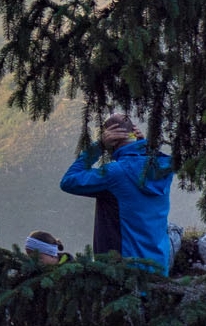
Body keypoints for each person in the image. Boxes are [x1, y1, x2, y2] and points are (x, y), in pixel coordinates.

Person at [59, 112, 174, 272]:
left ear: (111, 141)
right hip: (158, 266)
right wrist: (144, 147)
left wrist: (98, 147)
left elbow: (69, 181)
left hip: (124, 272)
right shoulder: (163, 166)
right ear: (134, 133)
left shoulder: (116, 173)